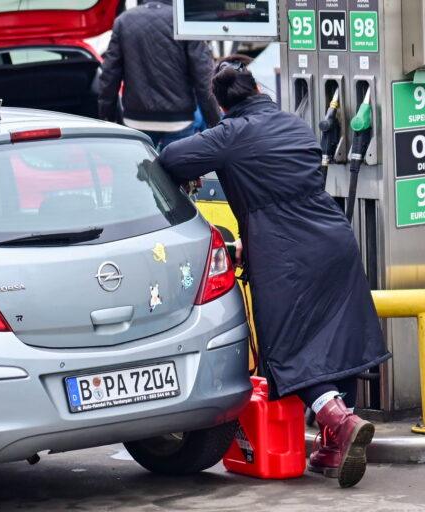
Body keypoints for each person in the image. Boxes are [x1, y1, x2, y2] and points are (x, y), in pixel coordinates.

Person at [157, 55, 391, 488]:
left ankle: (338, 422)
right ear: (260, 91)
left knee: (288, 348)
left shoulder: (231, 133)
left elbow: (171, 157)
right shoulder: (293, 124)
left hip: (285, 255)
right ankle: (335, 444)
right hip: (333, 239)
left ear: (224, 106)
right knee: (337, 337)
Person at [97, 0, 221, 149]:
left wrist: (107, 117)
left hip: (136, 119)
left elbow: (109, 74)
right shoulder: (184, 20)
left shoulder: (123, 21)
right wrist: (214, 121)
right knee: (179, 170)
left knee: (139, 171)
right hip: (178, 119)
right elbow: (204, 77)